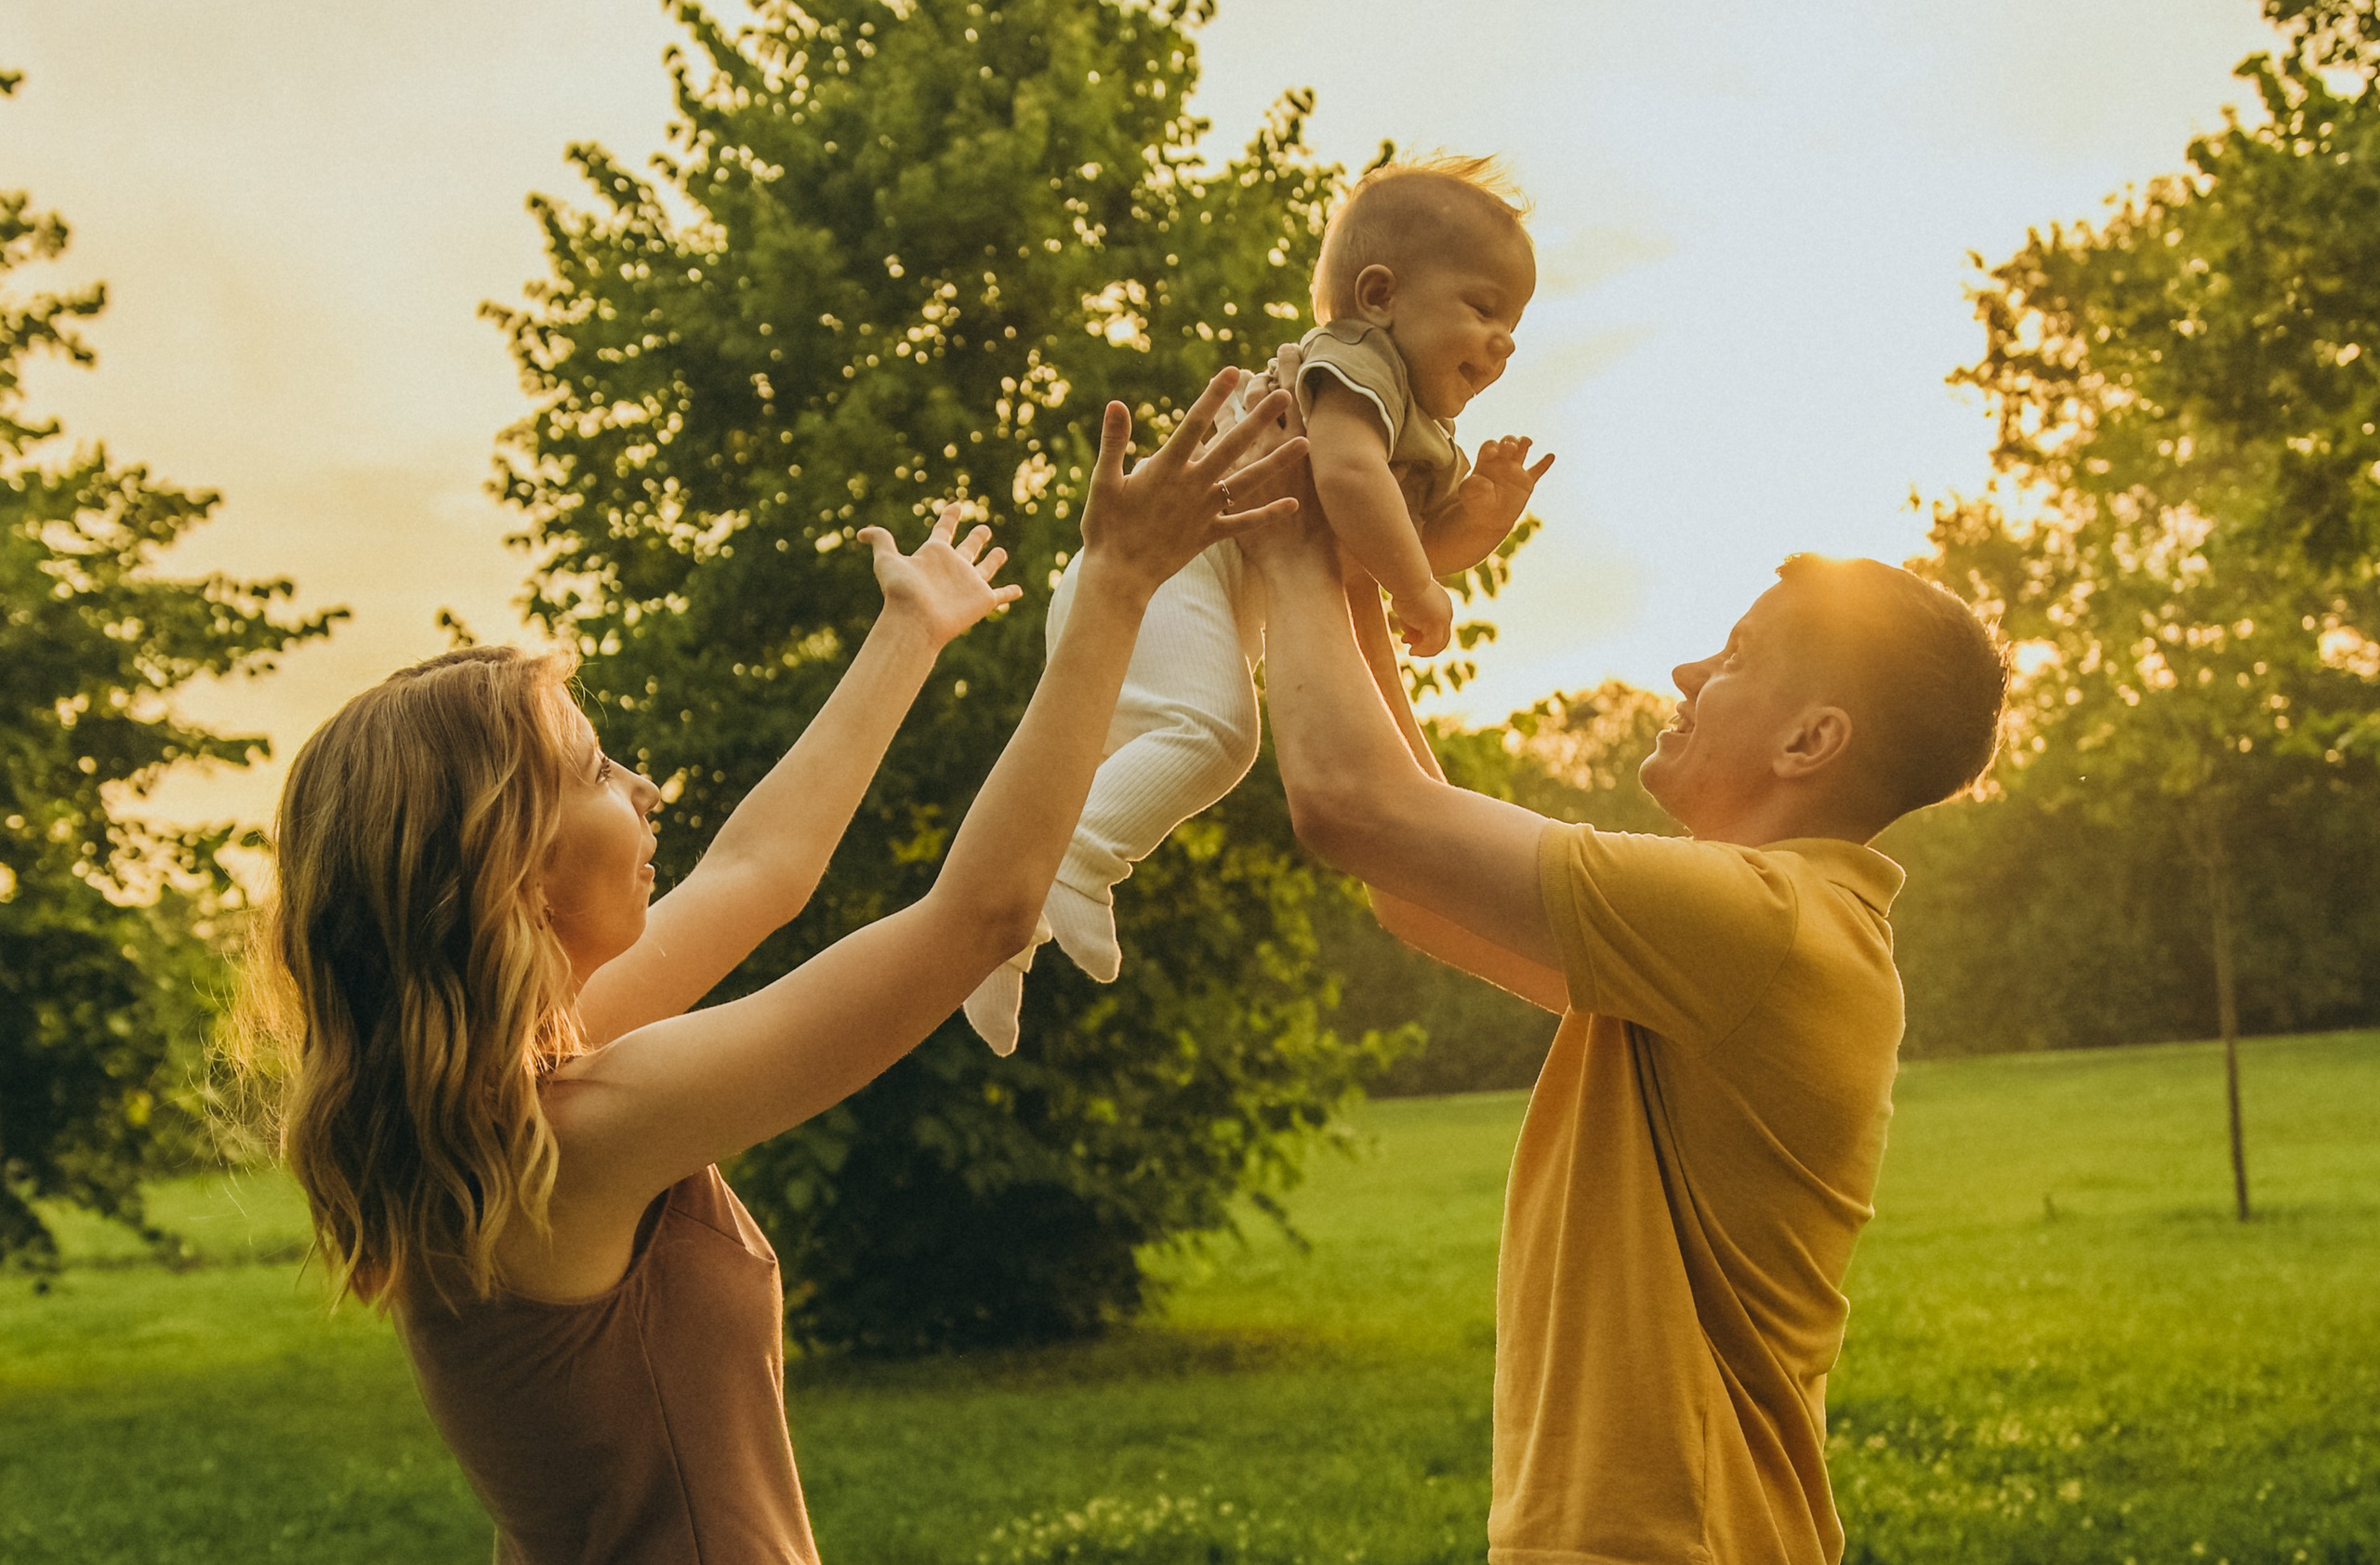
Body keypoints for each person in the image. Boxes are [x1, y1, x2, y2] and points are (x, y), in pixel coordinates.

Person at [231, 370, 1302, 1565]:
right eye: (594, 772)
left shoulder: (488, 1113)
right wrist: (1116, 584)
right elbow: (982, 918)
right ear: (514, 876)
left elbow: (759, 871)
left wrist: (909, 630)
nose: (643, 788)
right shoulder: (577, 1139)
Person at [1248, 349, 2008, 1565]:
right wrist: (1352, 582)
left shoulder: (1761, 924)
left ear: (1812, 740)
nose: (1687, 672)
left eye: (1737, 654)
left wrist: (1287, 539)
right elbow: (1414, 888)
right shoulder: (1756, 934)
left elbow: (1352, 804)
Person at [965, 155, 1555, 1053]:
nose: (1502, 342)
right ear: (1380, 295)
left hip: (1172, 600)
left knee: (1087, 776)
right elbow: (1347, 484)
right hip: (1169, 577)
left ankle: (995, 941)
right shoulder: (1353, 366)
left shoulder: (1418, 428)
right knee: (1215, 735)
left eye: (1513, 326)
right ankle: (1079, 864)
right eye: (1483, 308)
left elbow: (1379, 551)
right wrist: (1423, 590)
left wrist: (1480, 520)